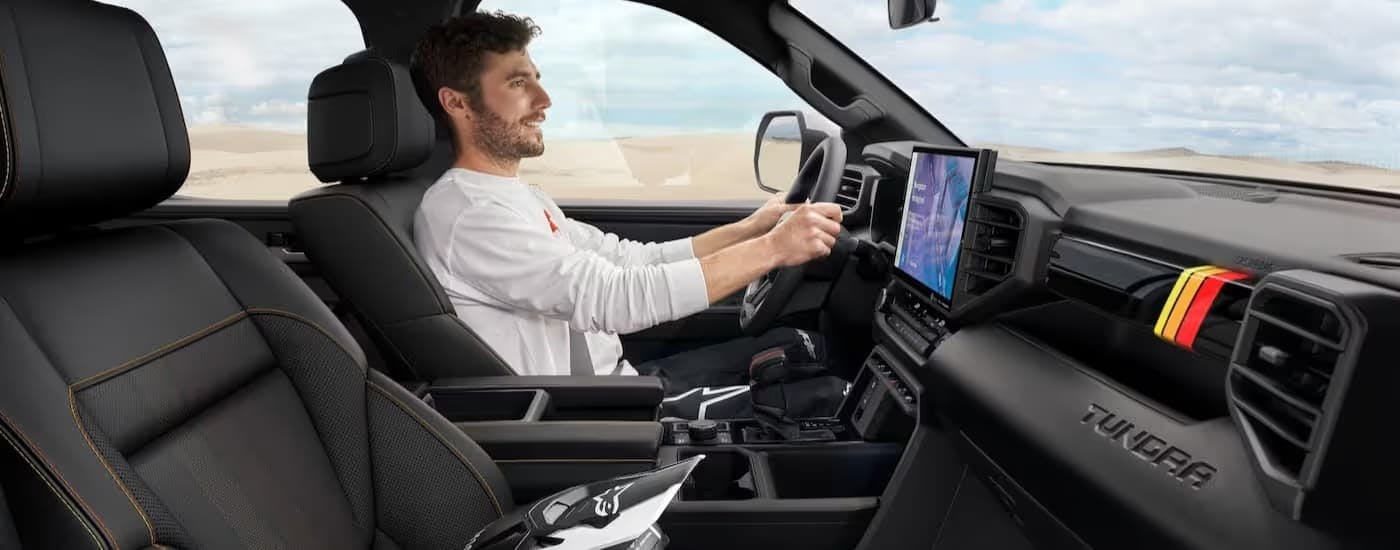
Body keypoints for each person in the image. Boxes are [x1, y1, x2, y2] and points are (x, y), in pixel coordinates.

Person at [408, 11, 845, 410]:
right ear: (457, 103)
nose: (544, 100)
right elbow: (613, 298)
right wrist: (772, 251)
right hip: (597, 417)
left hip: (616, 389)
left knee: (796, 345)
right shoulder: (470, 214)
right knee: (824, 393)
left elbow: (629, 259)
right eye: (518, 83)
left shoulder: (512, 196)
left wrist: (752, 230)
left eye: (536, 78)